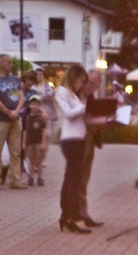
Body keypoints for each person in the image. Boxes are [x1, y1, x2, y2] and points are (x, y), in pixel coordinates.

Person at [55, 63, 91, 234]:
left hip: (79, 138)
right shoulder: (61, 92)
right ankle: (75, 217)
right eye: (80, 80)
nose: (81, 85)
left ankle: (66, 215)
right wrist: (85, 106)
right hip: (70, 140)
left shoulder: (75, 96)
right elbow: (69, 114)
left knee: (70, 178)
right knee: (73, 179)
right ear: (73, 77)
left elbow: (80, 116)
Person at [0, 54, 26, 190]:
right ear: (2, 63)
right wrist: (7, 112)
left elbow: (21, 97)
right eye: (9, 62)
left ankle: (15, 180)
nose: (11, 64)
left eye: (11, 62)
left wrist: (16, 111)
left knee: (16, 151)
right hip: (0, 119)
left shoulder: (15, 79)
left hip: (15, 119)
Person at [78, 68, 108, 227]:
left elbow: (92, 115)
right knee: (77, 177)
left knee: (84, 178)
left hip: (90, 140)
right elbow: (78, 118)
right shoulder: (77, 95)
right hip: (78, 141)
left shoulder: (90, 96)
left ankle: (83, 213)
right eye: (93, 84)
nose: (94, 88)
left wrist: (105, 122)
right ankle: (74, 214)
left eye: (97, 85)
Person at [23, 95, 48, 187]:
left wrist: (44, 142)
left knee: (39, 162)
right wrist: (23, 143)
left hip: (38, 142)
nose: (34, 106)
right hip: (30, 142)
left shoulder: (41, 118)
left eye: (37, 104)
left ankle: (40, 178)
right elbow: (25, 131)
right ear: (29, 105)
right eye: (33, 104)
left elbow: (45, 131)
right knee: (31, 161)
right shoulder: (27, 118)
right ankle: (31, 177)